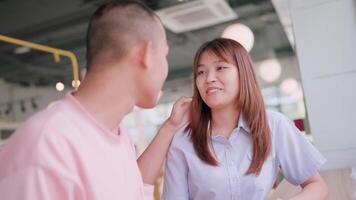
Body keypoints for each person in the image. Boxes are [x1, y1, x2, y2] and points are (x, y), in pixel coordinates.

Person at [0, 1, 191, 199]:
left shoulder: (115, 132)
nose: (165, 67)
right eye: (164, 55)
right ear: (146, 54)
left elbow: (130, 189)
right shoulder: (46, 147)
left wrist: (171, 127)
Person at [162, 38, 328, 200]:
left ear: (243, 73)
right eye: (201, 72)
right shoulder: (182, 141)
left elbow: (317, 185)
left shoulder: (274, 125)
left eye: (220, 67)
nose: (209, 78)